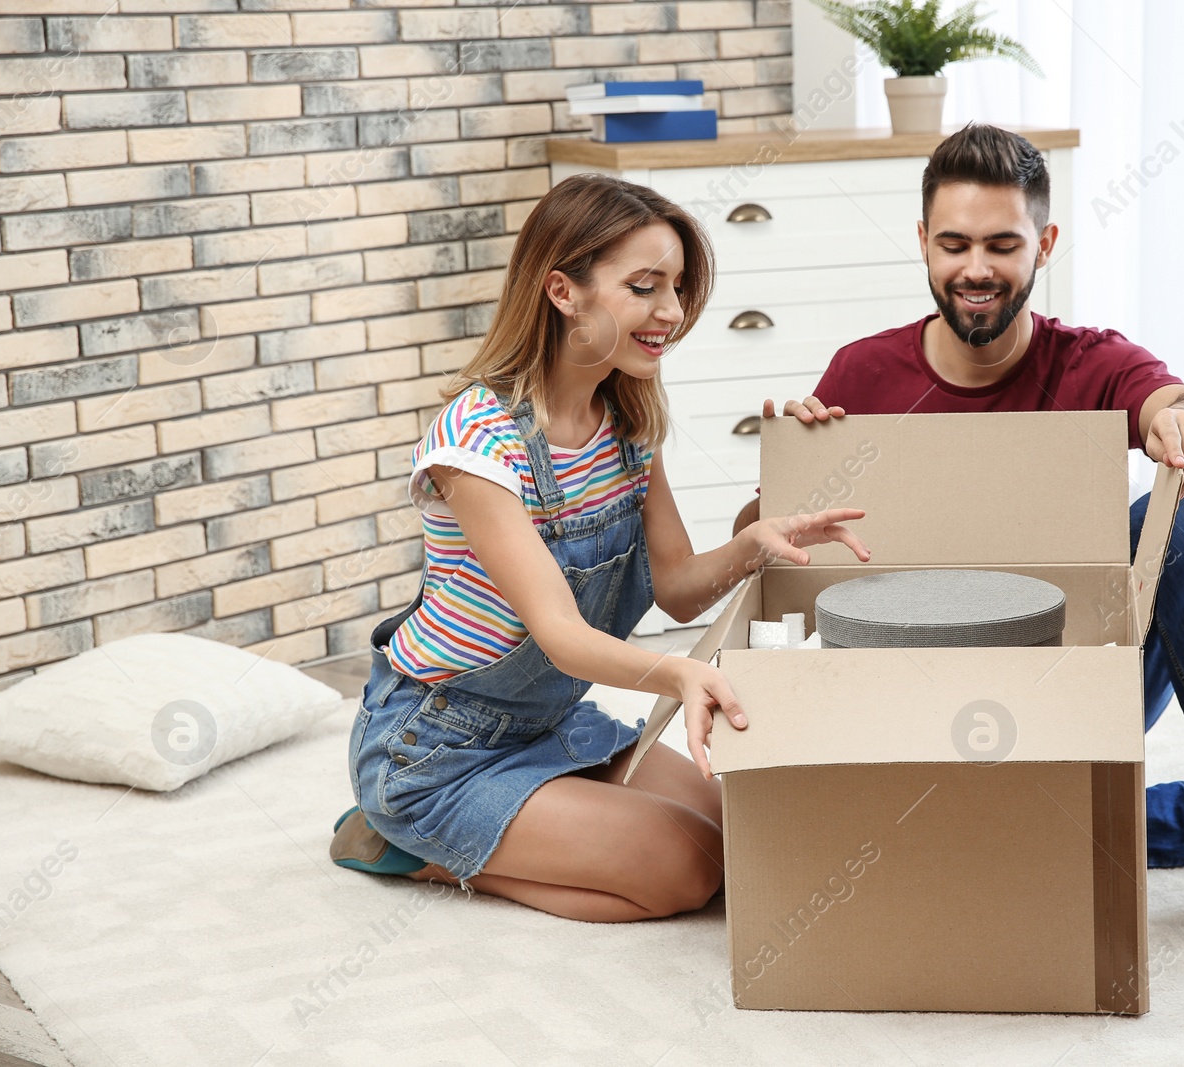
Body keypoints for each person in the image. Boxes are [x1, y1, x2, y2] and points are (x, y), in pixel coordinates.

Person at [731, 124, 1184, 967]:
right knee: (940, 839)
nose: (976, 268)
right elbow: (752, 556)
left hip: (1067, 672)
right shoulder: (861, 375)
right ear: (923, 245)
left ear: (1044, 244)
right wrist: (792, 479)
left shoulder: (1089, 362)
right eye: (955, 243)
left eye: (1003, 244)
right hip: (914, 696)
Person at [329, 173, 869, 922]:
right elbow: (560, 636)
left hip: (550, 723)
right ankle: (414, 847)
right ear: (562, 291)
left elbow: (678, 585)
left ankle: (505, 825)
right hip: (436, 746)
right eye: (646, 286)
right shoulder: (477, 442)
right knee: (679, 872)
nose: (672, 313)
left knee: (740, 834)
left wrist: (758, 530)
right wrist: (678, 672)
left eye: (677, 288)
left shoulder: (625, 424)